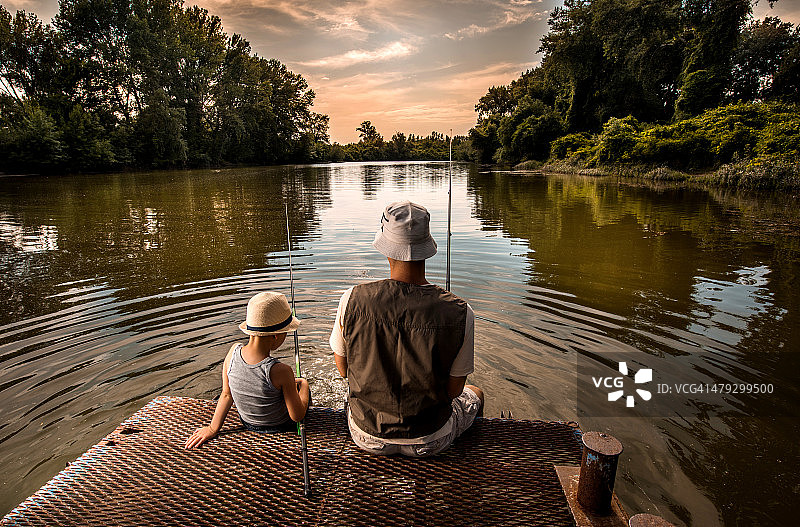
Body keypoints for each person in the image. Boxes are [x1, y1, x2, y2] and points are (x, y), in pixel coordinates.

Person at [330, 200, 484, 457]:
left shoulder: (351, 299)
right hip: (432, 439)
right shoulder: (461, 311)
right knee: (475, 393)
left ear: (386, 248)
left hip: (366, 434)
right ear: (426, 248)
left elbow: (343, 369)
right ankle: (470, 467)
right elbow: (455, 391)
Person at [185, 291, 310, 449]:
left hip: (247, 423)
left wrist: (212, 429)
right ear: (276, 336)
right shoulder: (281, 370)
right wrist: (304, 384)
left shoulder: (232, 352)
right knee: (302, 391)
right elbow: (297, 416)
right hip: (279, 427)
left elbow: (226, 394)